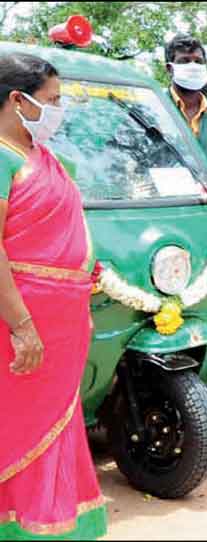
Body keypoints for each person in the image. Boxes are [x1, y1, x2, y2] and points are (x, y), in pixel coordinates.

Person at [0, 53, 107, 539]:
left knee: (59, 427)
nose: (58, 111)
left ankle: (54, 525)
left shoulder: (42, 158)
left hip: (63, 329)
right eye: (52, 101)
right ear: (17, 99)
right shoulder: (2, 159)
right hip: (20, 326)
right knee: (18, 427)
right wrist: (22, 326)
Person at [165, 34, 207, 156]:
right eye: (184, 61)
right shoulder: (156, 106)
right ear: (169, 69)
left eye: (198, 61)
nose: (193, 66)